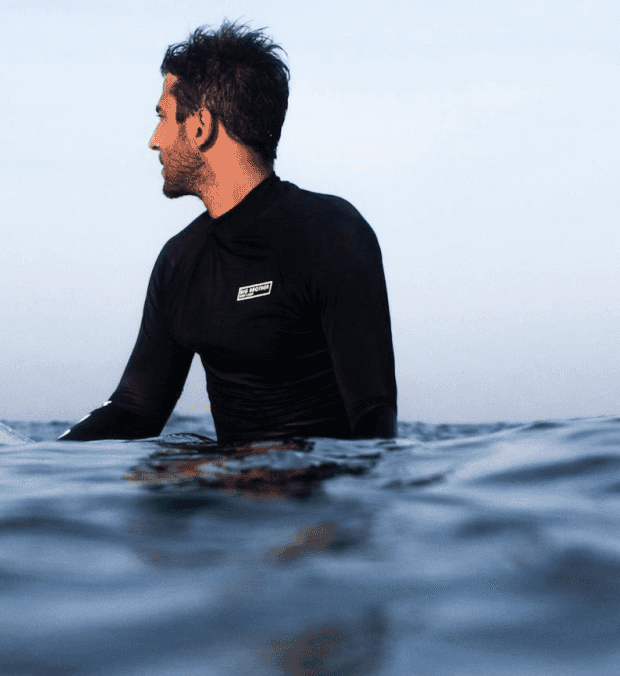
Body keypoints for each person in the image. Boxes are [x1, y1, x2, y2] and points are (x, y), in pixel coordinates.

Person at [61, 22, 397, 444]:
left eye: (163, 117)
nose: (154, 141)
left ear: (201, 125)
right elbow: (134, 411)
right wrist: (42, 464)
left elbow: (374, 419)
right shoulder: (180, 262)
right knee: (176, 458)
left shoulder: (331, 235)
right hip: (226, 483)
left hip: (318, 481)